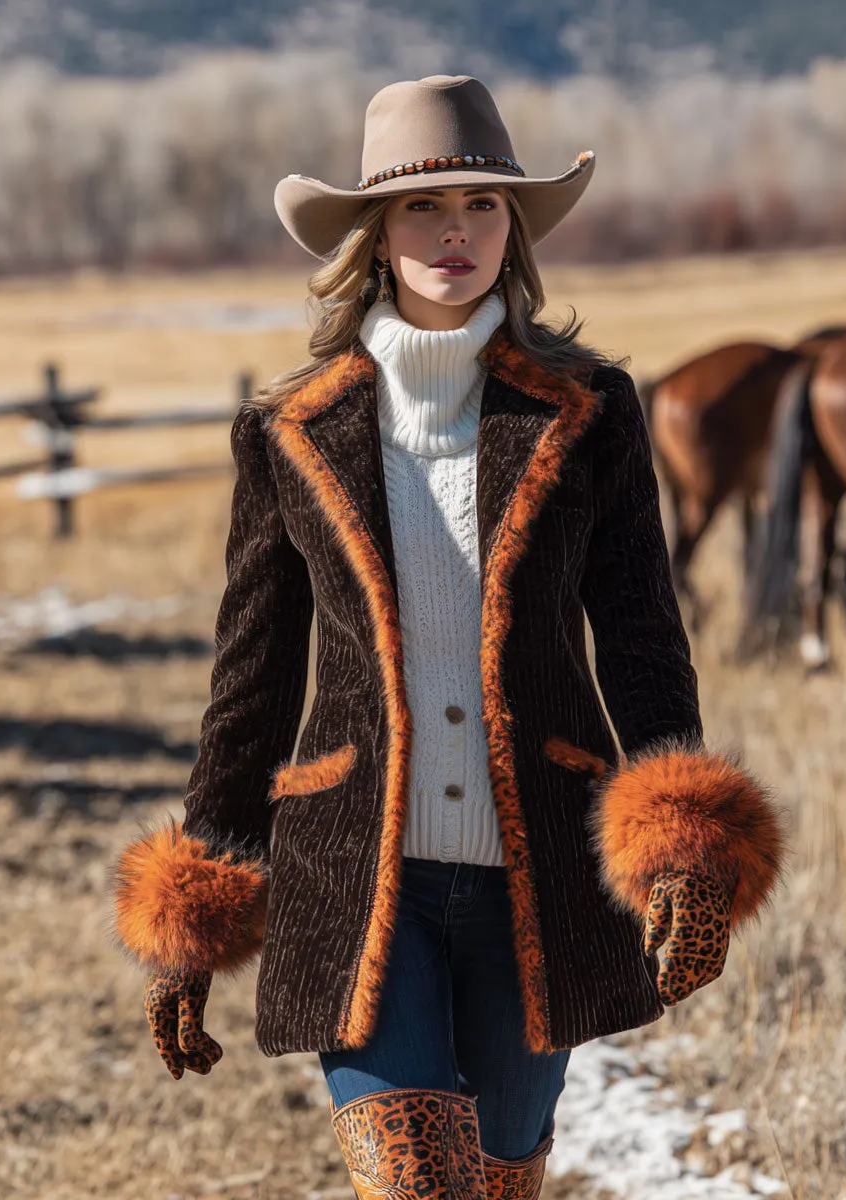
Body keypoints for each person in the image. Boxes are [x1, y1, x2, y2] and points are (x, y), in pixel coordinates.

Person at [112, 75, 785, 1199]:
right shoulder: (289, 431)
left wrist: (685, 847)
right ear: (375, 235)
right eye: (425, 208)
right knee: (422, 1186)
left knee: (502, 1174)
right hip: (357, 877)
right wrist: (196, 906)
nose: (455, 231)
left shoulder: (592, 411)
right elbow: (252, 680)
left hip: (547, 874)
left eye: (481, 204)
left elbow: (642, 640)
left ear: (513, 228)